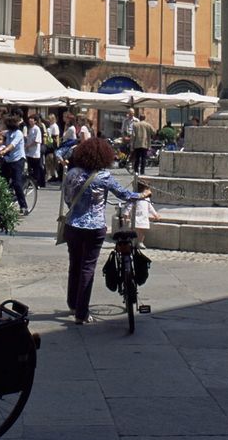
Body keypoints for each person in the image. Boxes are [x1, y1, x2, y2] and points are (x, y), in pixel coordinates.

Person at [62, 137, 148, 324]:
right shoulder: (103, 176)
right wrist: (143, 194)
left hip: (72, 225)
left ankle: (73, 304)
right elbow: (125, 195)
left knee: (74, 264)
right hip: (94, 227)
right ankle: (81, 313)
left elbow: (67, 199)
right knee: (87, 268)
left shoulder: (72, 174)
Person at [0, 116, 30, 215]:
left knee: (17, 183)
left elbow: (12, 145)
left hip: (17, 159)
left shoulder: (18, 133)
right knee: (1, 181)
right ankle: (2, 203)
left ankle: (23, 206)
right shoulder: (7, 132)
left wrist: (5, 150)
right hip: (8, 159)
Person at [117, 178, 160, 246]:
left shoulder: (147, 198)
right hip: (136, 217)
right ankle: (131, 242)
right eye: (147, 188)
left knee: (142, 231)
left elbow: (150, 207)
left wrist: (155, 214)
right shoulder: (135, 197)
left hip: (143, 217)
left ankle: (140, 242)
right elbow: (129, 206)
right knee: (133, 231)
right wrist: (126, 214)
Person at [129, 111, 155, 176]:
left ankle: (136, 171)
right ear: (144, 118)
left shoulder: (135, 125)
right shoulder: (148, 125)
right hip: (145, 144)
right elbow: (154, 132)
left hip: (137, 144)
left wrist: (132, 145)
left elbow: (133, 135)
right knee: (143, 158)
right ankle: (142, 171)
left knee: (137, 158)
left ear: (139, 118)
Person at [26, 112, 46, 188]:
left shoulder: (37, 129)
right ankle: (30, 182)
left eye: (32, 120)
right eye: (29, 119)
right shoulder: (29, 128)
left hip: (35, 152)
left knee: (36, 169)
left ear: (35, 121)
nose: (30, 121)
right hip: (29, 152)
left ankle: (36, 183)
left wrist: (28, 146)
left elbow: (37, 141)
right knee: (30, 169)